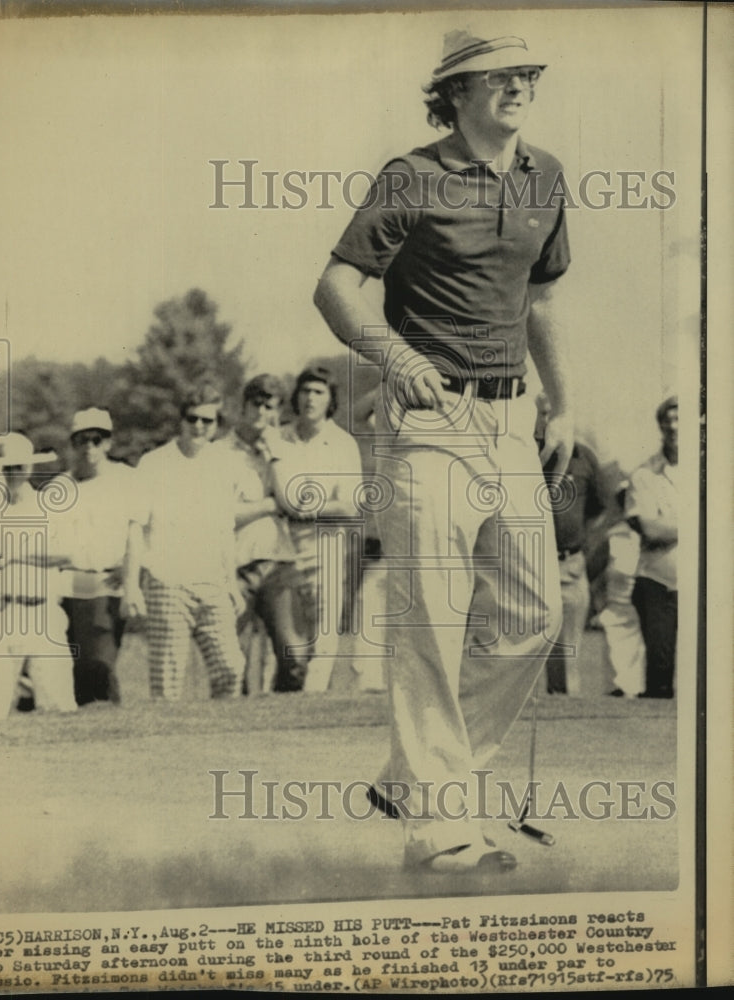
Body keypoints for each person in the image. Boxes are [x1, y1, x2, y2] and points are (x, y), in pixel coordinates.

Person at [313, 28, 572, 872]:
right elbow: (335, 287)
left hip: (510, 423)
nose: (517, 85)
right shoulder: (411, 174)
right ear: (455, 93)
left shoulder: (546, 176)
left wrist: (563, 405)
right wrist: (393, 355)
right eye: (496, 76)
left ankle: (412, 777)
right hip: (426, 419)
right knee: (432, 615)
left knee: (536, 616)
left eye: (526, 73)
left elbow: (538, 300)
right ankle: (440, 820)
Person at [123, 382, 244, 701]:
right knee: (167, 682)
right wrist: (131, 586)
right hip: (167, 583)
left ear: (217, 425)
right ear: (181, 420)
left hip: (212, 584)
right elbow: (135, 528)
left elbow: (225, 532)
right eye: (192, 419)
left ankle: (218, 742)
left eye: (208, 421)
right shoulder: (153, 463)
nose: (199, 427)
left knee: (231, 668)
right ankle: (166, 749)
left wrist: (231, 583)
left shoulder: (224, 463)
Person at [0, 433, 77, 721]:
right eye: (7, 467)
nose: (14, 473)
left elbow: (67, 554)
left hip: (44, 611)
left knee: (59, 710)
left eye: (19, 466)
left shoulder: (52, 508)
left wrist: (16, 556)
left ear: (30, 467)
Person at [216, 373, 308, 694]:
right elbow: (221, 515)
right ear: (243, 406)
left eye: (269, 407)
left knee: (294, 656)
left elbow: (295, 505)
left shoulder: (283, 449)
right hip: (234, 565)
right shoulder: (219, 452)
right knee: (232, 661)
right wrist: (270, 504)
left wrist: (275, 456)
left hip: (278, 563)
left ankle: (283, 726)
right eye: (255, 404)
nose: (261, 413)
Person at [278, 365, 364, 691]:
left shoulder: (342, 444)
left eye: (318, 392)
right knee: (285, 636)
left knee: (325, 633)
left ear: (330, 400)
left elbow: (350, 504)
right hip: (280, 544)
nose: (310, 399)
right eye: (305, 391)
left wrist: (308, 508)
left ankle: (311, 704)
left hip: (326, 542)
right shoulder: (279, 438)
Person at [50, 407, 142, 706]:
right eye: (82, 440)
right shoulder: (60, 487)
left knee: (100, 663)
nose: (90, 447)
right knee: (74, 669)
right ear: (73, 443)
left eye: (97, 439)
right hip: (65, 586)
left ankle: (107, 720)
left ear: (109, 443)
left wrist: (131, 579)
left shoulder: (127, 479)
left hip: (107, 583)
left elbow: (139, 533)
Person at [534, 393, 605, 695]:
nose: (550, 421)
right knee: (540, 644)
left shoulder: (584, 457)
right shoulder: (529, 455)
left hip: (572, 564)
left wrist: (579, 544)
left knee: (570, 646)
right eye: (544, 414)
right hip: (536, 563)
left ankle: (567, 708)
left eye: (555, 414)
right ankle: (550, 705)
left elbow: (599, 509)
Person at [626, 396, 678, 699]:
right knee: (660, 674)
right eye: (667, 419)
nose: (672, 426)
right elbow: (650, 528)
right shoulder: (644, 474)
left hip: (706, 585)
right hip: (657, 583)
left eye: (679, 418)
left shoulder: (716, 470)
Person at [597, 481, 646, 698]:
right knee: (616, 660)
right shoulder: (613, 536)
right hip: (615, 610)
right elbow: (594, 572)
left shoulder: (650, 535)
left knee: (638, 662)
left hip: (641, 612)